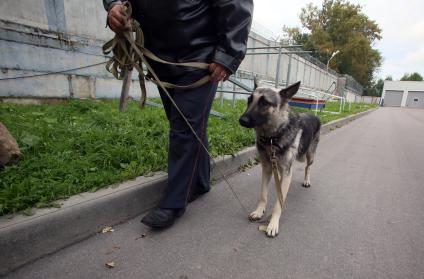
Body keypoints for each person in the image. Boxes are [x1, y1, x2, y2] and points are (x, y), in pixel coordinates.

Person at [103, 0, 253, 229]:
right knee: (187, 124)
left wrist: (228, 54)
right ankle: (200, 182)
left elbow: (236, 4)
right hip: (159, 57)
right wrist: (113, 5)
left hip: (201, 58)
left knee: (184, 126)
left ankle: (173, 203)